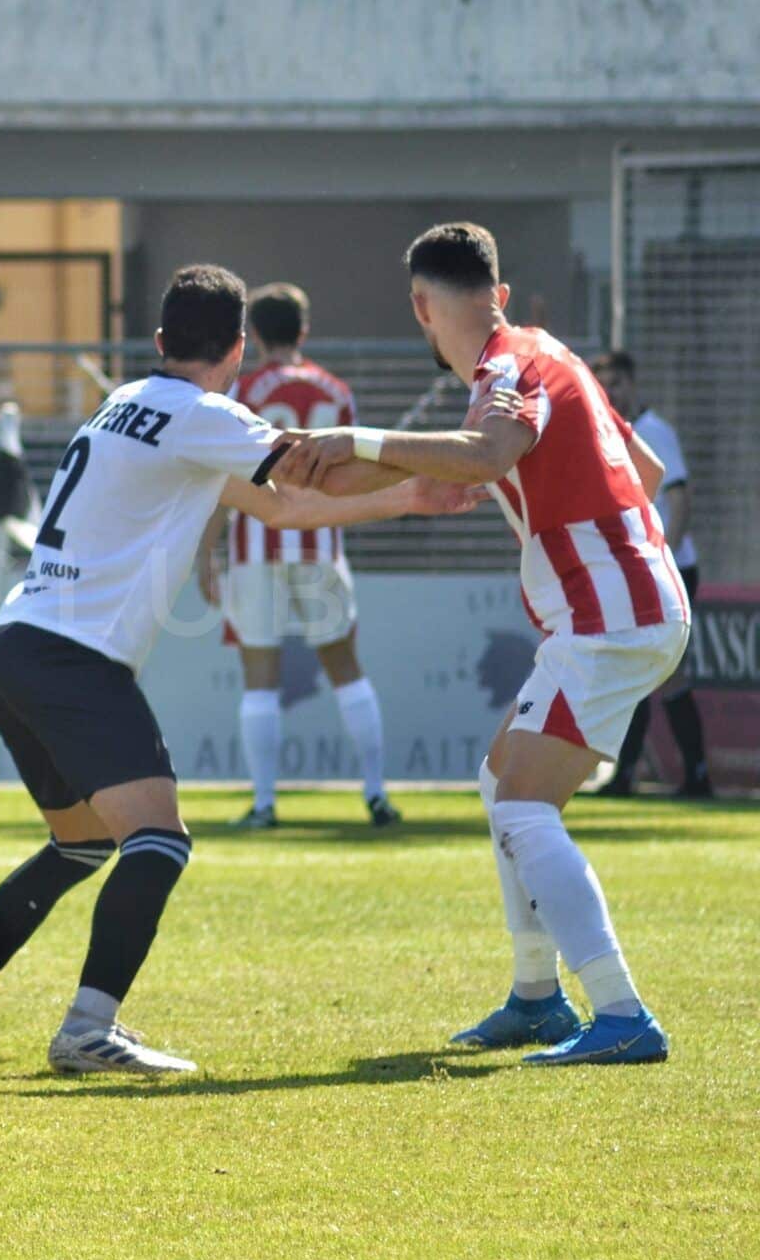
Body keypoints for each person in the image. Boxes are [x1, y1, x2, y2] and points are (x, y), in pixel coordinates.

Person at [0, 266, 475, 1074]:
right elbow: (313, 474)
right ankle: (87, 1028)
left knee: (78, 845)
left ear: (160, 341)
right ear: (238, 349)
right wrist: (448, 464)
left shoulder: (125, 404)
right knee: (159, 840)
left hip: (12, 647)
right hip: (76, 660)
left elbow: (278, 505)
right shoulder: (204, 415)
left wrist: (411, 500)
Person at [300, 225, 687, 1065]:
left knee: (521, 806)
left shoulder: (507, 373)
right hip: (622, 605)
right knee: (497, 779)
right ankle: (538, 996)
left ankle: (621, 1013)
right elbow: (646, 469)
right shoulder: (548, 354)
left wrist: (363, 445)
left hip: (608, 616)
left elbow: (489, 450)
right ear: (498, 293)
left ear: (421, 307)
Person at [194, 282, 401, 829]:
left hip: (256, 546)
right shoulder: (336, 391)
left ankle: (264, 804)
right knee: (347, 671)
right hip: (321, 542)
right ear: (304, 330)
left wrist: (206, 552)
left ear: (253, 335)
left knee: (260, 676)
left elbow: (227, 474)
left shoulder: (244, 392)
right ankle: (377, 795)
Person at [588, 349, 711, 799]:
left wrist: (665, 559)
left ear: (633, 384)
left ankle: (696, 774)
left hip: (671, 570)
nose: (613, 392)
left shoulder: (654, 432)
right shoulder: (610, 435)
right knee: (639, 670)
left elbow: (679, 501)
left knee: (665, 671)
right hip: (640, 572)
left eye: (618, 383)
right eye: (606, 385)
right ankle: (628, 775)